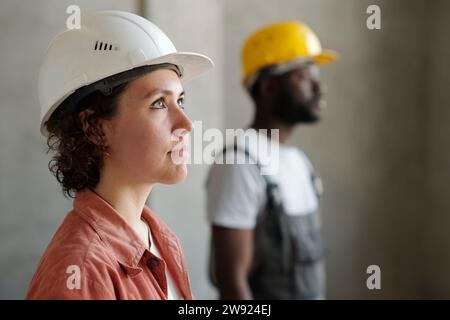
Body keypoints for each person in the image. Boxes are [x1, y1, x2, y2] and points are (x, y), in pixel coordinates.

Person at [26, 10, 213, 300]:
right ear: (94, 127)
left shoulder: (160, 239)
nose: (186, 125)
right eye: (159, 103)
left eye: (181, 101)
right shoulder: (81, 271)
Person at [206, 21, 338, 299]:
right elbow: (232, 282)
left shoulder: (300, 161)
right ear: (268, 89)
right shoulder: (240, 163)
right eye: (304, 76)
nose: (319, 87)